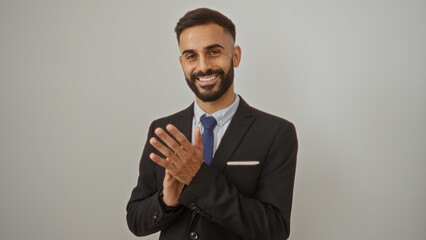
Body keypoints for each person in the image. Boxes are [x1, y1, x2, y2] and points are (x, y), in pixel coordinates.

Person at [127, 8, 298, 240]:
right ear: (181, 63)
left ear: (235, 56)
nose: (203, 66)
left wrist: (197, 179)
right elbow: (136, 220)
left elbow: (274, 229)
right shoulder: (163, 130)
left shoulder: (276, 133)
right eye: (191, 56)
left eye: (213, 52)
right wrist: (167, 201)